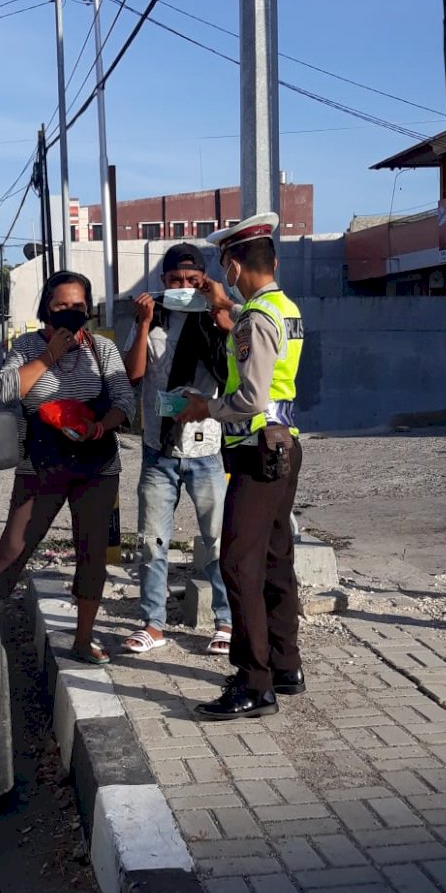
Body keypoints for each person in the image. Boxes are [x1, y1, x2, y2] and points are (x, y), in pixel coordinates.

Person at [176, 213, 305, 720]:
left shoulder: (255, 319)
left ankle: (254, 683)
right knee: (275, 557)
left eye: (225, 264)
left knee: (237, 563)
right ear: (270, 262)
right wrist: (226, 311)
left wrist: (202, 407)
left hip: (257, 452)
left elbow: (250, 396)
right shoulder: (283, 307)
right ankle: (285, 665)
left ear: (233, 263)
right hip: (284, 446)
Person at [0, 269, 135, 666]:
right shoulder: (26, 346)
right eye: (61, 306)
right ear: (46, 309)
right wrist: (50, 355)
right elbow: (6, 391)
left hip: (96, 465)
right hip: (40, 467)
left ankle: (83, 639)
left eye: (78, 306)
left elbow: (125, 399)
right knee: (11, 550)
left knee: (92, 554)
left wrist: (98, 426)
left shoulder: (101, 351)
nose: (71, 313)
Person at [122, 242, 232, 656]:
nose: (183, 287)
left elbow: (234, 369)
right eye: (175, 280)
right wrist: (145, 321)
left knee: (218, 540)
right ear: (162, 282)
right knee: (152, 539)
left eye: (192, 281)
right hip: (159, 449)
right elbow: (134, 373)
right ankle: (153, 623)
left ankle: (226, 622)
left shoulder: (216, 316)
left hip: (206, 448)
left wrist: (219, 312)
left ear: (204, 281)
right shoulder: (153, 319)